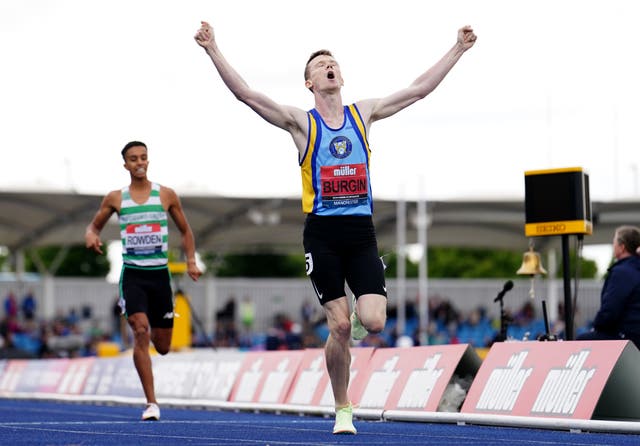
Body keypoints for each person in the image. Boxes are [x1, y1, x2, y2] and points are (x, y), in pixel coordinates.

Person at [194, 21, 477, 434]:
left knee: (374, 322)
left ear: (340, 77)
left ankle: (361, 322)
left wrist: (458, 49)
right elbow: (246, 95)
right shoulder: (301, 124)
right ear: (309, 82)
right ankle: (343, 406)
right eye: (321, 65)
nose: (329, 68)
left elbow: (417, 90)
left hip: (361, 233)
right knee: (339, 326)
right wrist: (212, 48)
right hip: (323, 235)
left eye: (333, 64)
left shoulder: (362, 114)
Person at [85, 141, 202, 421]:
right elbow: (94, 225)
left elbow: (186, 231)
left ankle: (152, 388)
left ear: (149, 161)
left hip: (160, 275)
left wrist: (190, 260)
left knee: (162, 346)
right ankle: (151, 403)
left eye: (143, 158)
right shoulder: (116, 198)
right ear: (125, 164)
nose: (139, 162)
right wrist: (91, 235)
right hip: (133, 274)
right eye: (133, 159)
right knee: (140, 330)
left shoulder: (166, 195)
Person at [577, 225, 640, 350]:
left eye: (614, 242)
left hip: (627, 338)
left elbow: (610, 311)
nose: (613, 246)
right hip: (635, 335)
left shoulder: (622, 272)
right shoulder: (634, 269)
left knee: (580, 342)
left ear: (622, 248)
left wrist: (597, 326)